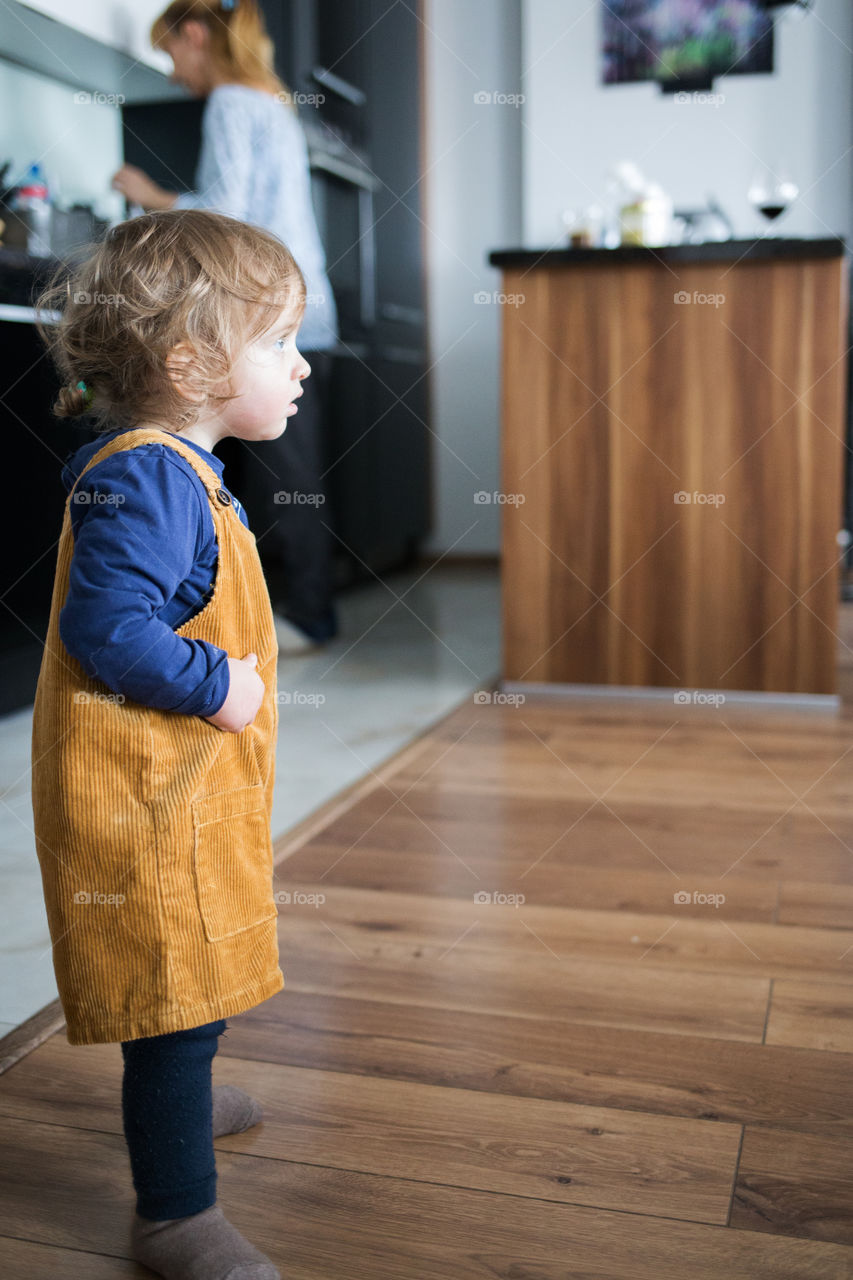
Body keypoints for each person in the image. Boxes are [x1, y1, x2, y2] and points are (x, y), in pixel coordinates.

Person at [31, 208, 309, 1280]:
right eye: (279, 341)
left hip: (183, 794)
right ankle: (173, 1212)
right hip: (142, 803)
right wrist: (216, 684)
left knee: (197, 964)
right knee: (169, 979)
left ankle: (179, 1096)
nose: (299, 366)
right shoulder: (151, 477)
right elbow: (104, 631)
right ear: (192, 364)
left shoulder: (176, 466)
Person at [112, 0, 340, 652]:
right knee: (285, 471)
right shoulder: (269, 103)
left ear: (193, 35)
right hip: (294, 308)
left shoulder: (233, 103)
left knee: (279, 475)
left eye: (170, 52)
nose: (174, 72)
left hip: (266, 319)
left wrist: (148, 195)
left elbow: (222, 211)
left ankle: (302, 616)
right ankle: (287, 611)